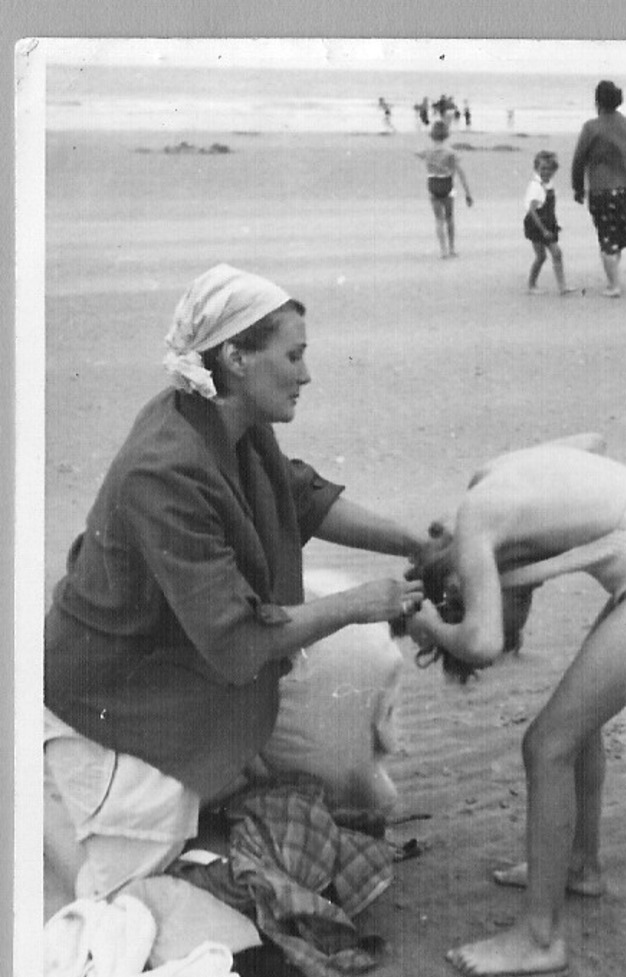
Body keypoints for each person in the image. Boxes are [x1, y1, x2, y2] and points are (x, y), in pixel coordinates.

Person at [43, 263, 425, 919]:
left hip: (183, 656)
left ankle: (236, 783)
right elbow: (238, 639)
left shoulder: (228, 424)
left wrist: (417, 546)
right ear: (236, 357)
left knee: (350, 674)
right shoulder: (164, 466)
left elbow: (302, 499)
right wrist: (363, 603)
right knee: (128, 895)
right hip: (116, 688)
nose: (306, 374)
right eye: (294, 356)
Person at [404, 436, 626, 976]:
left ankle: (539, 939)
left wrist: (430, 626)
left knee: (547, 746)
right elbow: (592, 440)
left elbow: (481, 643)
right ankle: (580, 865)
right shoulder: (492, 471)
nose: (484, 595)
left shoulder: (478, 517)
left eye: (464, 594)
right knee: (577, 723)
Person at [571, 80, 626, 298]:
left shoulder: (591, 127)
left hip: (600, 190)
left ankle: (614, 285)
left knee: (606, 236)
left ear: (597, 101)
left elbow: (579, 160)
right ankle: (614, 280)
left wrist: (577, 188)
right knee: (617, 235)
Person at [415, 120, 474, 258]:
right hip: (446, 185)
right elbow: (460, 173)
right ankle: (452, 248)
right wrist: (468, 194)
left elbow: (417, 153)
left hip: (433, 184)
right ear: (446, 135)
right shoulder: (450, 153)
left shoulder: (428, 151)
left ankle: (443, 250)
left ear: (432, 135)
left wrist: (430, 159)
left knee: (438, 220)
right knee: (449, 218)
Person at [523, 150, 575, 296]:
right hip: (536, 224)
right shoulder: (536, 186)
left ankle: (562, 286)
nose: (545, 172)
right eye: (542, 169)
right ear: (536, 169)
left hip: (548, 222)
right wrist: (543, 230)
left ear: (554, 170)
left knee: (556, 253)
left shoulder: (549, 184)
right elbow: (532, 211)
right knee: (541, 256)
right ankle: (531, 285)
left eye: (549, 169)